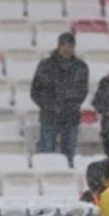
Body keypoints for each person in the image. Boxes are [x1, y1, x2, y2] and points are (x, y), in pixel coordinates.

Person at [31, 33, 90, 163]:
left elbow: (82, 92)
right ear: (58, 46)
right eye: (64, 45)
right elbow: (35, 91)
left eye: (70, 46)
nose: (67, 49)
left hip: (70, 117)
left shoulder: (81, 67)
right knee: (47, 155)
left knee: (69, 155)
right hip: (49, 116)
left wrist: (69, 105)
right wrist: (49, 106)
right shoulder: (46, 65)